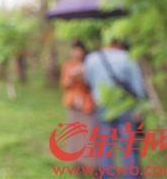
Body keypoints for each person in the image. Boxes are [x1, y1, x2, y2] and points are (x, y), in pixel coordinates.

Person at [85, 40, 147, 179]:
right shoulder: (126, 57)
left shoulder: (91, 58)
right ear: (119, 43)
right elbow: (138, 85)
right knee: (129, 148)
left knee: (105, 148)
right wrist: (139, 108)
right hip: (125, 108)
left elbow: (88, 81)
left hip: (102, 107)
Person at [60, 40, 97, 170]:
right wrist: (72, 77)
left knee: (88, 133)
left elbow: (93, 84)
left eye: (78, 50)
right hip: (73, 103)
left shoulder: (90, 64)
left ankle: (92, 163)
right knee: (74, 133)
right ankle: (77, 162)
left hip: (87, 104)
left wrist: (83, 76)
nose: (76, 53)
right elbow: (64, 84)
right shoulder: (68, 65)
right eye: (74, 50)